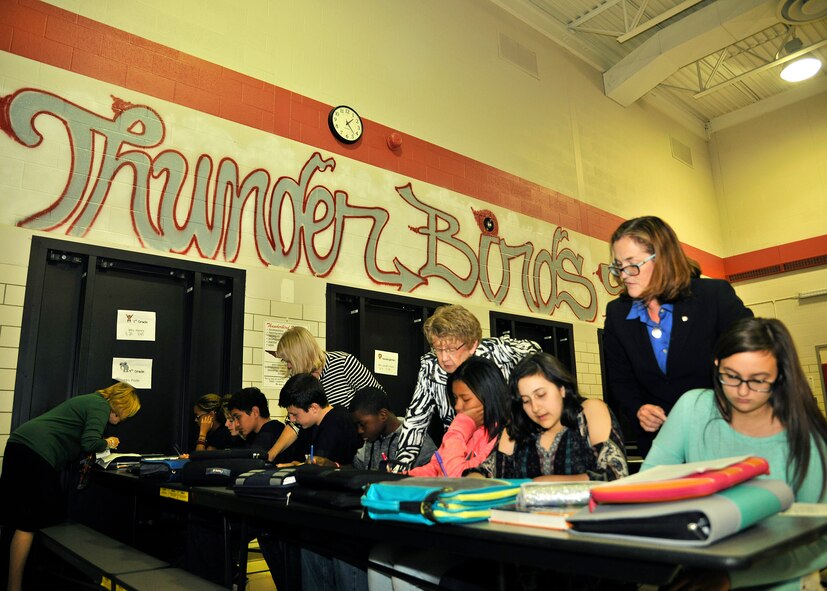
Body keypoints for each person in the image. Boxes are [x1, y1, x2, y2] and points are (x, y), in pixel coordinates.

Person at [644, 317, 827, 591]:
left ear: (780, 376)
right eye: (731, 376)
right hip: (693, 573)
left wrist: (732, 578)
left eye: (758, 380)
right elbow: (646, 486)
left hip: (777, 581)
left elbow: (821, 542)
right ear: (716, 364)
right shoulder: (693, 407)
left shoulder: (806, 438)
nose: (742, 391)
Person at [603, 216, 752, 456]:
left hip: (723, 437)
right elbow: (620, 381)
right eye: (618, 266)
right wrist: (639, 409)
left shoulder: (713, 297)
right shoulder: (617, 314)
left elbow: (754, 356)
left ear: (662, 259)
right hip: (660, 445)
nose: (624, 274)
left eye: (632, 264)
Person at [0, 382, 141, 591]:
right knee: (34, 519)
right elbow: (90, 442)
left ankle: (13, 582)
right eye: (123, 415)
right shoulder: (100, 406)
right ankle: (16, 586)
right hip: (36, 453)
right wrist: (108, 442)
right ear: (120, 405)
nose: (120, 421)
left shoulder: (90, 401)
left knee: (14, 519)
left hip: (19, 446)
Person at [395, 305, 540, 470]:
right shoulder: (430, 368)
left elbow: (535, 350)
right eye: (438, 349)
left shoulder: (497, 352)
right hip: (460, 444)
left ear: (472, 345)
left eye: (450, 349)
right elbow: (416, 421)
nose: (444, 358)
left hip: (497, 443)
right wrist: (401, 467)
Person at [482, 352, 627, 481]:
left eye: (541, 395)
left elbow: (616, 474)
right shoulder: (516, 430)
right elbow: (486, 473)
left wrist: (549, 483)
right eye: (526, 400)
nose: (535, 408)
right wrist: (472, 480)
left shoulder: (589, 412)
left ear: (562, 389)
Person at [265, 326, 385, 462]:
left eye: (289, 361)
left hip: (354, 447)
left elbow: (377, 398)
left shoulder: (343, 363)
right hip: (323, 448)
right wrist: (271, 455)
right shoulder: (301, 380)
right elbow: (295, 423)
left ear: (299, 356)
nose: (288, 366)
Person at [409, 356, 509, 478]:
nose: (457, 406)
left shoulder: (504, 436)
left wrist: (461, 427)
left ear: (489, 397)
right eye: (455, 398)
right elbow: (435, 468)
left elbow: (456, 478)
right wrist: (394, 479)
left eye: (465, 399)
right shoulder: (470, 430)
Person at [278, 373, 362, 467]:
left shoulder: (337, 421)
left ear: (313, 408)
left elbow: (320, 466)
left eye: (294, 414)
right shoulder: (309, 425)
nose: (292, 419)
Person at [350, 387, 436, 471]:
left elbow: (434, 479)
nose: (359, 430)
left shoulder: (417, 441)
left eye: (362, 424)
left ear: (383, 415)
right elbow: (358, 475)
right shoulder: (368, 442)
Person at [226, 387, 285, 453]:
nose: (236, 424)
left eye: (238, 417)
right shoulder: (253, 435)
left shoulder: (271, 431)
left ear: (255, 412)